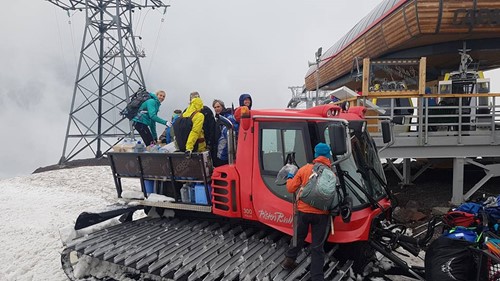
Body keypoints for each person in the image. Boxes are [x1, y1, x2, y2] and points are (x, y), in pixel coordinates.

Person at [281, 143, 333, 281]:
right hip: (322, 215)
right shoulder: (330, 173)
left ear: (315, 155)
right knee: (317, 247)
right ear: (328, 156)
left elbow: (291, 189)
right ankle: (317, 277)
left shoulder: (305, 169)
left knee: (298, 237)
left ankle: (289, 261)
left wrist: (290, 176)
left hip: (303, 212)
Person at [212, 99, 238, 167]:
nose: (216, 109)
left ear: (222, 107)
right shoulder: (218, 119)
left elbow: (229, 134)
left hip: (226, 151)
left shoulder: (227, 118)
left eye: (218, 106)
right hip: (220, 149)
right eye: (215, 107)